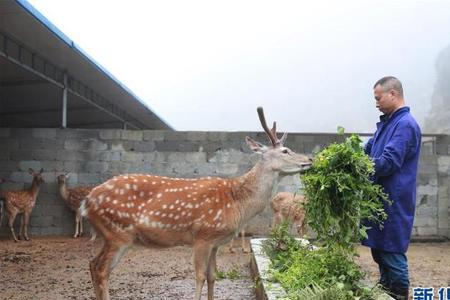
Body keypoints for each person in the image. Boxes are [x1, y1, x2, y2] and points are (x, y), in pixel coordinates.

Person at [363, 76, 421, 300]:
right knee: (379, 251)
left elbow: (388, 162)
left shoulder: (405, 124)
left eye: (378, 98)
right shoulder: (387, 123)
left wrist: (360, 167)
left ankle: (398, 295)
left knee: (392, 252)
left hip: (394, 200)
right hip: (380, 198)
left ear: (392, 94)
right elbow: (368, 150)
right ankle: (385, 292)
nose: (376, 103)